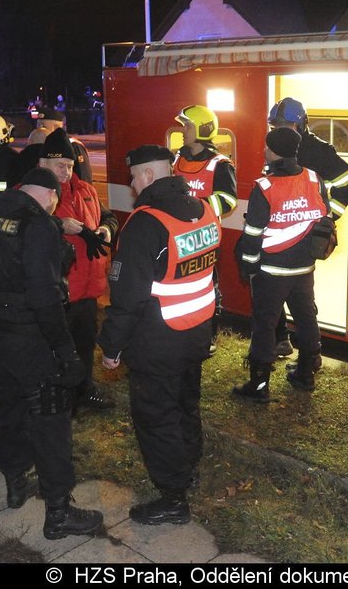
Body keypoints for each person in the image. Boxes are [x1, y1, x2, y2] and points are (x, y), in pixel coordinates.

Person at [0, 167, 104, 540]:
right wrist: (67, 352)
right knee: (51, 419)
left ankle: (16, 484)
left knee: (7, 409)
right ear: (50, 195)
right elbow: (45, 296)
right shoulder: (38, 223)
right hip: (29, 337)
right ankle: (59, 512)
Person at [97, 145, 221, 525]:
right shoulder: (204, 210)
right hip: (196, 332)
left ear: (149, 176)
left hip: (157, 342)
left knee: (156, 417)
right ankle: (189, 468)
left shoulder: (145, 223)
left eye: (134, 176)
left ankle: (173, 498)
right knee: (186, 404)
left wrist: (111, 347)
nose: (132, 184)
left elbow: (127, 298)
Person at [232, 127, 332, 402]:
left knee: (264, 325)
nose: (264, 151)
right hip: (304, 269)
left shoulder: (264, 186)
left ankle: (260, 386)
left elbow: (252, 233)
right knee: (306, 317)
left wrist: (249, 267)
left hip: (272, 271)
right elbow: (326, 215)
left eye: (267, 147)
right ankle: (305, 373)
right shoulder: (314, 179)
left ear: (273, 151)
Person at [269, 97, 348, 361]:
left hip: (305, 237)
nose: (281, 130)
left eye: (286, 125)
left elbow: (347, 181)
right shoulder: (275, 147)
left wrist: (329, 218)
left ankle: (309, 357)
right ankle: (281, 340)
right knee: (274, 292)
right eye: (276, 126)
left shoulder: (318, 150)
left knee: (301, 300)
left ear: (302, 125)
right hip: (279, 233)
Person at [39, 128, 117, 412]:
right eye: (60, 166)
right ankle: (60, 399)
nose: (66, 172)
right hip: (58, 291)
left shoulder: (85, 189)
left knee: (84, 343)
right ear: (43, 164)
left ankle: (85, 390)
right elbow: (22, 225)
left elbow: (108, 217)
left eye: (70, 166)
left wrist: (106, 230)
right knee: (58, 348)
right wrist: (59, 225)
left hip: (88, 288)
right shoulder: (35, 192)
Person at [172, 104, 237, 354]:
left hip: (205, 237)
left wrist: (194, 206)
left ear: (201, 129)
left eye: (187, 126)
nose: (183, 131)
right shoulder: (179, 157)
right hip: (178, 235)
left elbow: (229, 200)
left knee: (208, 288)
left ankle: (208, 337)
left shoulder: (220, 164)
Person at [14, 107, 66, 179]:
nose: (40, 129)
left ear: (56, 128)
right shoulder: (65, 148)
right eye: (39, 125)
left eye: (43, 126)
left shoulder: (24, 152)